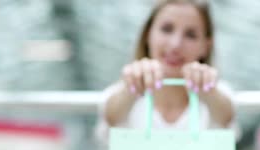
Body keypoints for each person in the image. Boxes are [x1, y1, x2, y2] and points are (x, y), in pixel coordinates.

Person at [96, 0, 237, 142]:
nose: (175, 45)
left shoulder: (217, 95)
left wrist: (209, 90)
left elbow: (226, 117)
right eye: (167, 29)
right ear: (147, 35)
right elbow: (111, 117)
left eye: (190, 35)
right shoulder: (121, 94)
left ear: (206, 46)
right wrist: (131, 87)